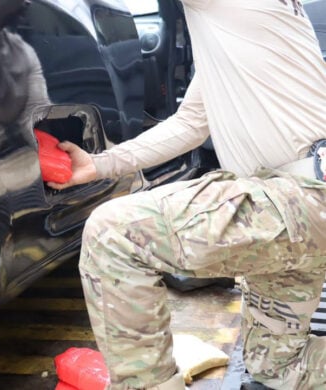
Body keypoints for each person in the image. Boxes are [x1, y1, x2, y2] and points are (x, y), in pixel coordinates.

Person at [47, 0, 326, 389]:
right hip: (297, 210)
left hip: (296, 200)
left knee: (114, 235)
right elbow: (191, 124)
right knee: (277, 366)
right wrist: (101, 164)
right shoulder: (232, 33)